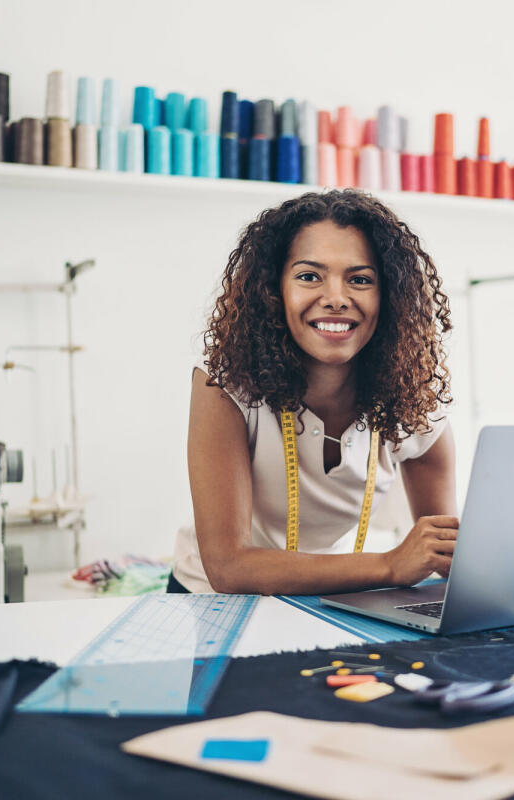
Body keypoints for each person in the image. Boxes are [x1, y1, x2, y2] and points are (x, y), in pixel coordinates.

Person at [170, 190, 458, 594]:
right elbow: (228, 567)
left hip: (324, 595)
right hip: (210, 600)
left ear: (388, 297)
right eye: (309, 276)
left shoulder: (409, 403)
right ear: (273, 290)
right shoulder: (224, 384)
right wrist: (391, 565)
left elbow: (448, 557)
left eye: (360, 279)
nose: (337, 298)